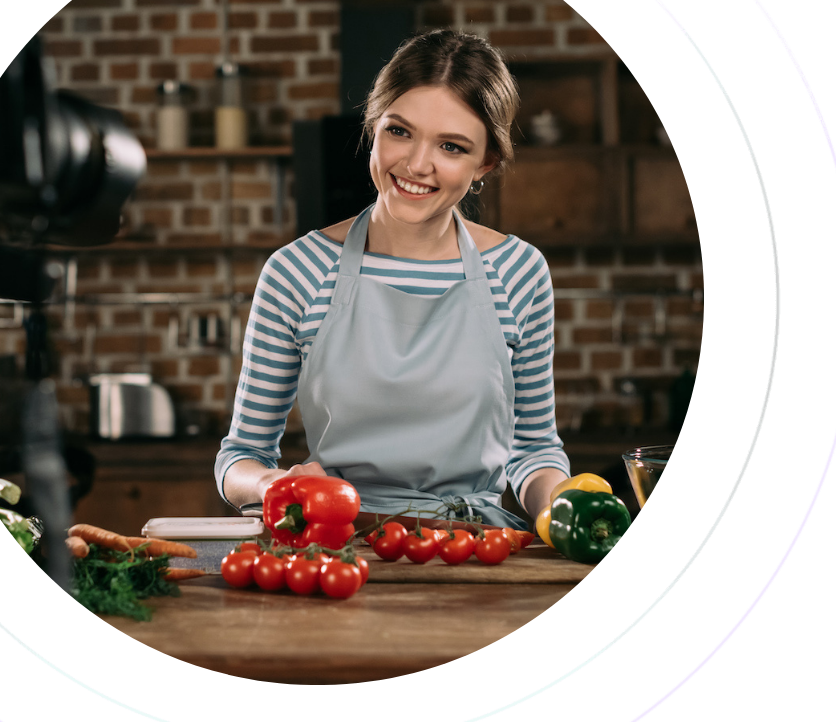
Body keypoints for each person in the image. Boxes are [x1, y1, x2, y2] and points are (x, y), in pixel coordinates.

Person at [215, 30, 571, 532]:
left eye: (451, 146)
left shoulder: (519, 271)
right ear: (373, 126)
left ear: (485, 163)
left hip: (475, 548)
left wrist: (565, 507)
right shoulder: (297, 271)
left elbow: (533, 449)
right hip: (339, 541)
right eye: (399, 131)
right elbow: (241, 457)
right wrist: (274, 484)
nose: (417, 165)